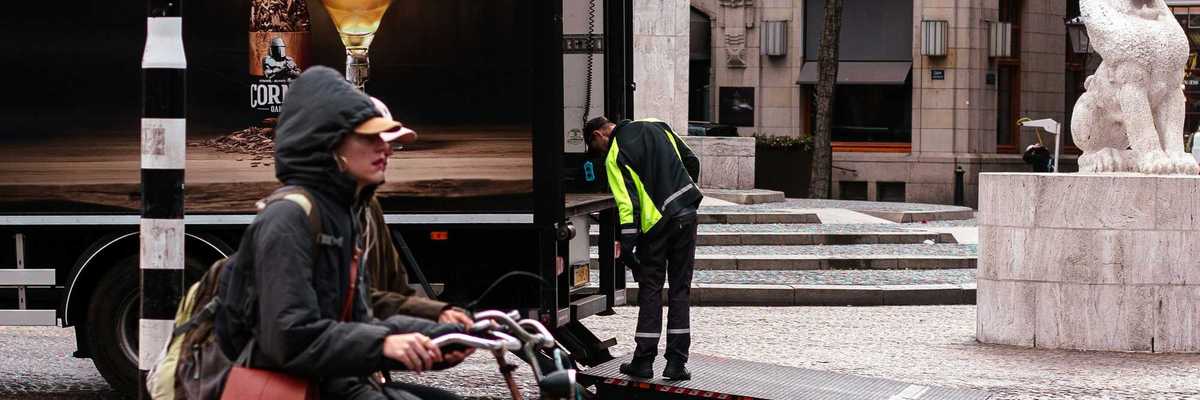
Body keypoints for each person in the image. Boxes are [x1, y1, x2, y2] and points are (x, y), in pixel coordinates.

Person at [215, 66, 470, 400]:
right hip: (306, 389)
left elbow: (364, 313)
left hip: (341, 382)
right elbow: (288, 337)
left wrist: (444, 336)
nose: (386, 148)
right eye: (369, 137)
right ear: (330, 144)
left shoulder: (342, 213)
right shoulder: (289, 218)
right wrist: (384, 344)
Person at [584, 116, 701, 381]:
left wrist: (627, 247)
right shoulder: (657, 124)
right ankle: (676, 364)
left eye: (595, 148)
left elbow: (627, 206)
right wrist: (686, 200)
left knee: (651, 290)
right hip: (685, 216)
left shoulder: (614, 155)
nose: (599, 153)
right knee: (680, 289)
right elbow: (691, 161)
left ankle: (644, 362)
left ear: (599, 136)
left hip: (655, 228)